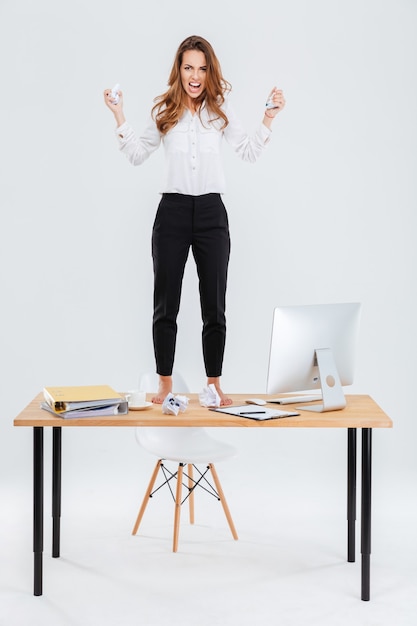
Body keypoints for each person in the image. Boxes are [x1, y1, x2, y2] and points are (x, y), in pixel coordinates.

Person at [104, 35, 285, 406]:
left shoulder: (220, 111)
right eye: (189, 67)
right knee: (165, 303)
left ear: (210, 71)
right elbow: (137, 154)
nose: (195, 75)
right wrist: (119, 114)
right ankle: (165, 384)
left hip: (210, 213)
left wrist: (268, 117)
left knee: (214, 302)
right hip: (170, 212)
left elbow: (249, 152)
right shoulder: (165, 111)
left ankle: (214, 384)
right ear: (179, 69)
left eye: (202, 68)